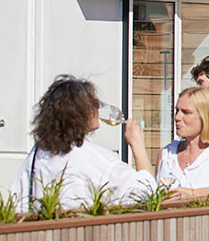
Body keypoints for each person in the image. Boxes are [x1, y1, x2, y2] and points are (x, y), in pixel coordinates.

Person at [10, 76, 156, 213]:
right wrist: (138, 146)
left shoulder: (38, 154)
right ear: (83, 112)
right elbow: (146, 191)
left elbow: (18, 202)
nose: (98, 109)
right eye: (95, 104)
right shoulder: (89, 156)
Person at [156, 87, 209, 201]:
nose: (177, 117)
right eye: (176, 111)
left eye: (186, 112)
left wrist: (195, 194)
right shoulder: (166, 154)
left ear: (205, 116)